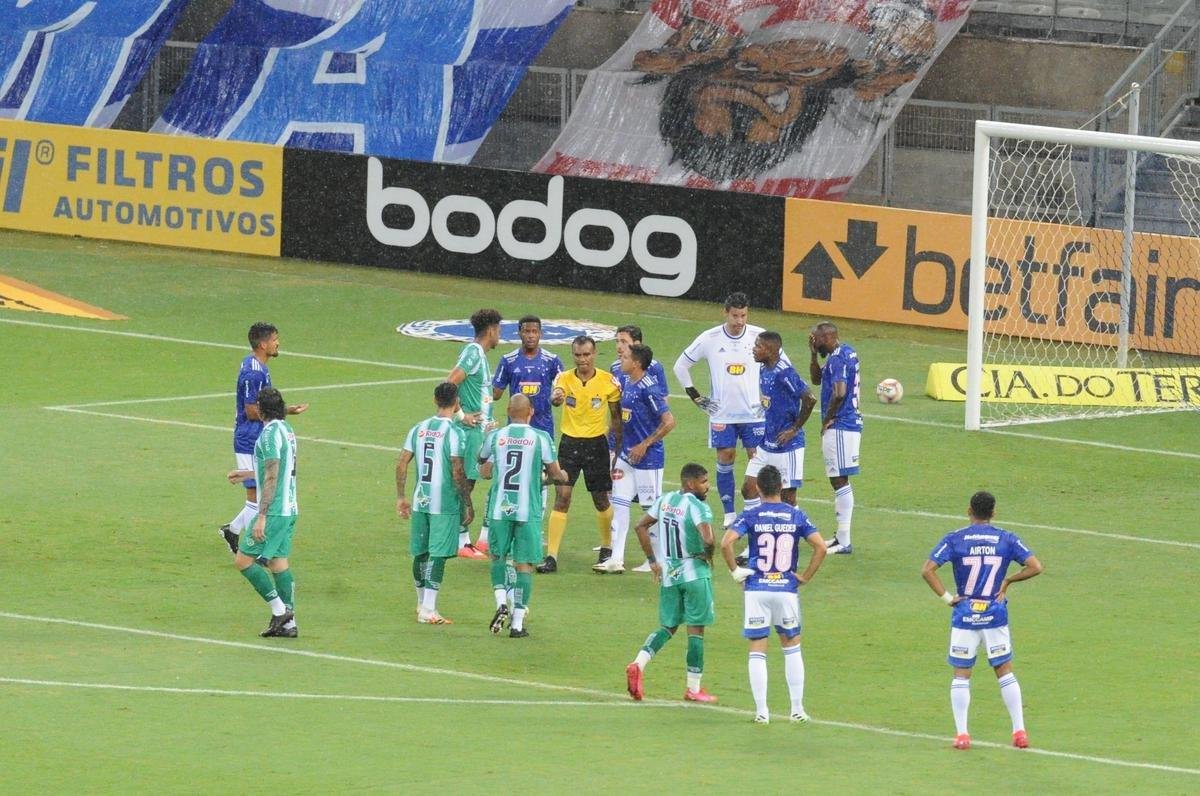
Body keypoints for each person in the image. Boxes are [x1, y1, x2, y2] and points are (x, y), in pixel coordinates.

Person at [922, 491, 1043, 751]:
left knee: (961, 674)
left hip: (965, 613)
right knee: (1004, 671)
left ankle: (962, 735)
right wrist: (1008, 581)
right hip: (994, 613)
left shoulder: (954, 539)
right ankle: (1019, 731)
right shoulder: (1007, 538)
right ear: (993, 513)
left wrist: (948, 598)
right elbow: (1036, 566)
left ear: (969, 511)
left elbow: (927, 570)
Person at [720, 465, 826, 724]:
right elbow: (821, 547)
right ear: (781, 487)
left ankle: (761, 712)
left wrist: (736, 572)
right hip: (786, 589)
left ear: (757, 488)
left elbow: (726, 543)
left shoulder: (751, 514)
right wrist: (805, 577)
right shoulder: (796, 515)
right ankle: (797, 709)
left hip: (757, 588)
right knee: (791, 646)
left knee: (758, 648)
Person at [673, 292, 771, 529]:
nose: (739, 321)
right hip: (722, 414)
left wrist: (768, 394)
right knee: (725, 458)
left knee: (757, 460)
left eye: (743, 315)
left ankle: (758, 511)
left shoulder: (759, 336)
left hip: (754, 414)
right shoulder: (710, 338)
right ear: (725, 313)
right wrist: (695, 396)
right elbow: (680, 366)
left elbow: (779, 363)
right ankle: (729, 513)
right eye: (735, 316)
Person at [625, 463, 717, 703]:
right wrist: (708, 556)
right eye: (704, 482)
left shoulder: (665, 500)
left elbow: (640, 525)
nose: (708, 486)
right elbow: (708, 539)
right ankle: (693, 688)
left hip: (670, 574)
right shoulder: (698, 506)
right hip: (695, 575)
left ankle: (638, 663)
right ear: (690, 484)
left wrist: (652, 561)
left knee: (668, 627)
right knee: (696, 629)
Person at [479, 394, 567, 637]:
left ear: (508, 411)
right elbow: (555, 474)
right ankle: (517, 624)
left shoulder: (496, 436)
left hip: (500, 508)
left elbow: (482, 463)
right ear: (531, 412)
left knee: (498, 557)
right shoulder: (541, 438)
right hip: (528, 511)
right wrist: (558, 477)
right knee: (524, 565)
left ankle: (501, 603)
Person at [221, 322, 308, 554]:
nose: (278, 343)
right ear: (263, 344)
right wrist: (282, 411)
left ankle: (233, 530)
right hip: (249, 438)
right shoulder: (254, 372)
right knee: (256, 494)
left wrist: (286, 410)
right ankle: (250, 543)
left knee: (259, 491)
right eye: (274, 339)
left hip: (256, 436)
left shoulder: (256, 365)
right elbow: (252, 410)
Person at [540, 336, 622, 573]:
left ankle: (607, 547)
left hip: (597, 445)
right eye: (577, 355)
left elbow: (617, 419)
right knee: (562, 497)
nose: (582, 359)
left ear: (594, 354)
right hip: (570, 444)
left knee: (601, 499)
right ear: (573, 355)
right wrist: (555, 398)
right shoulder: (564, 378)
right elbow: (556, 396)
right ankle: (551, 556)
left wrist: (616, 450)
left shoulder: (608, 382)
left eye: (586, 354)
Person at [396, 382, 475, 625]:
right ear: (457, 402)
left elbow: (401, 463)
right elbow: (457, 471)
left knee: (421, 552)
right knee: (438, 555)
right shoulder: (455, 433)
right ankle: (429, 609)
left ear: (434, 400)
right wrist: (467, 503)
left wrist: (401, 497)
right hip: (444, 503)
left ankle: (421, 602)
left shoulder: (418, 428)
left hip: (421, 500)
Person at [225, 387, 301, 638]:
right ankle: (289, 625)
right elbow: (279, 469)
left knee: (243, 561)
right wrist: (247, 474)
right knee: (277, 562)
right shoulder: (286, 430)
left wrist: (262, 516)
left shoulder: (268, 436)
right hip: (290, 508)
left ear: (260, 409)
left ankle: (280, 611)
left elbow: (271, 475)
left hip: (274, 511)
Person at [597, 343, 675, 574]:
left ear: (637, 363)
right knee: (619, 504)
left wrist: (645, 444)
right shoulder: (626, 382)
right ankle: (616, 558)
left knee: (651, 509)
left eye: (626, 357)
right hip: (626, 456)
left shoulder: (649, 388)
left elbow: (669, 421)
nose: (621, 358)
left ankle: (659, 559)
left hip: (649, 459)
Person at [447, 308, 502, 560]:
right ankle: (461, 541)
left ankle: (483, 539)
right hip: (469, 434)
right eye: (498, 329)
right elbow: (450, 383)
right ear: (491, 330)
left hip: (482, 431)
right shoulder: (473, 352)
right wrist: (462, 415)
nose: (499, 334)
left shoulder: (479, 354)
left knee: (493, 477)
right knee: (464, 486)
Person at [743, 331, 816, 507]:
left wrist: (794, 429)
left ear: (770, 350)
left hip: (787, 446)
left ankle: (793, 525)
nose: (753, 349)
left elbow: (810, 399)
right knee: (749, 489)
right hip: (766, 444)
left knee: (787, 499)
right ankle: (758, 522)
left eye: (758, 346)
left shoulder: (784, 372)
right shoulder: (763, 368)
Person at [809, 321, 862, 554]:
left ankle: (844, 540)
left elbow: (840, 393)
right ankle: (841, 537)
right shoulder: (845, 352)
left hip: (841, 424)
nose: (813, 342)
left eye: (816, 339)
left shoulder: (838, 358)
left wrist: (827, 419)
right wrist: (813, 355)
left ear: (827, 337)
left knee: (839, 480)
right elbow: (817, 380)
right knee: (838, 479)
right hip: (847, 424)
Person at [491, 315, 564, 439]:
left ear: (540, 334)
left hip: (543, 427)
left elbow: (560, 392)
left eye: (534, 331)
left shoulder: (552, 361)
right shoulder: (508, 360)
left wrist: (557, 397)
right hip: (516, 427)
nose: (531, 336)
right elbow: (495, 394)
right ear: (519, 333)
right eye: (526, 331)